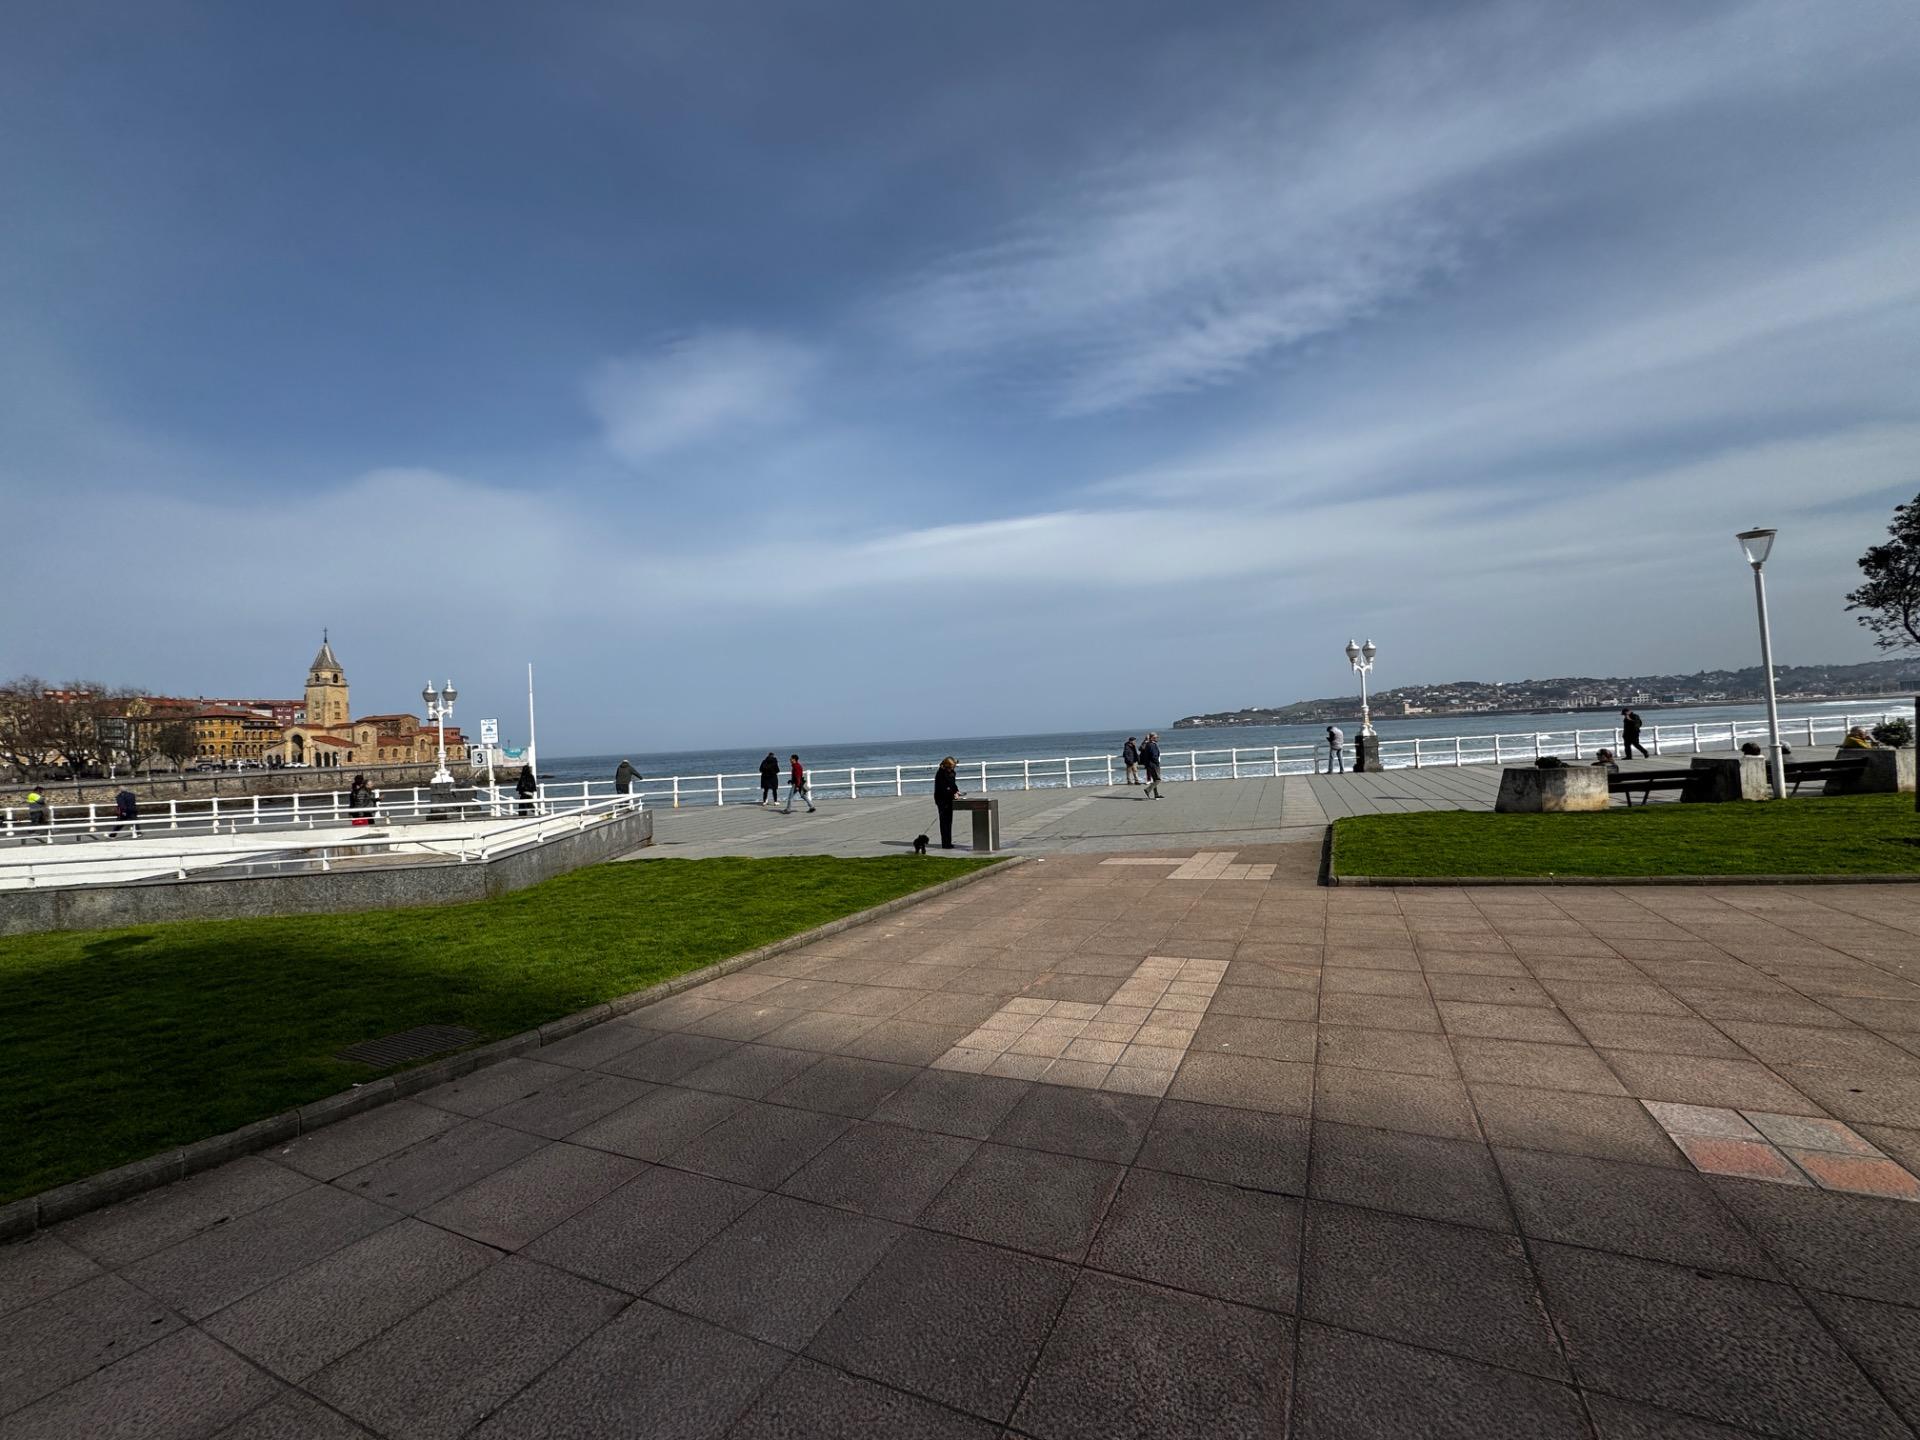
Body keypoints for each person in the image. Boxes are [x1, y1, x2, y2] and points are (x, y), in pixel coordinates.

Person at [934, 755, 961, 848]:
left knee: (949, 821)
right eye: (951, 767)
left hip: (949, 799)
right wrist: (952, 794)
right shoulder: (941, 773)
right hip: (942, 799)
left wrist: (956, 791)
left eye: (953, 767)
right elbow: (943, 788)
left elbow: (952, 784)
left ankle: (948, 842)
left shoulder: (951, 772)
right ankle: (945, 843)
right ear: (946, 766)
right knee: (944, 822)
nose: (952, 769)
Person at [1140, 732, 1164, 799]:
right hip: (1153, 764)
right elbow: (1154, 756)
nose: (1158, 738)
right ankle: (1148, 790)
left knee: (1154, 779)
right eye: (1156, 737)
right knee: (1158, 779)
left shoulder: (1148, 744)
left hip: (1149, 764)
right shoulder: (1152, 745)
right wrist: (1157, 762)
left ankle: (1156, 794)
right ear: (1153, 738)